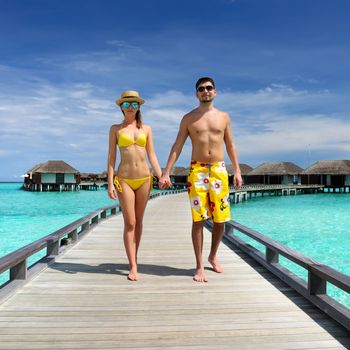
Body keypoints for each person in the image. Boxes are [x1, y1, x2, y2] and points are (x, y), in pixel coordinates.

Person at [159, 77, 242, 282]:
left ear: (215, 92)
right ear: (196, 94)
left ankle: (213, 256)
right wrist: (166, 172)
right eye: (201, 89)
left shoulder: (224, 117)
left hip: (219, 170)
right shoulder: (189, 118)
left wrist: (238, 171)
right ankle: (199, 266)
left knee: (220, 219)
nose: (205, 91)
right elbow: (177, 145)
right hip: (197, 171)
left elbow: (230, 145)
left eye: (209, 88)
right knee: (199, 219)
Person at [107, 90, 162, 281]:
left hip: (145, 179)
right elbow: (111, 159)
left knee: (139, 221)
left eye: (134, 104)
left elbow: (152, 156)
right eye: (127, 104)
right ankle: (132, 265)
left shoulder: (146, 128)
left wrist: (161, 175)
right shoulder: (115, 129)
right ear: (121, 107)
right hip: (124, 179)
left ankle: (134, 258)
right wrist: (110, 183)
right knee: (129, 222)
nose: (130, 107)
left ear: (139, 106)